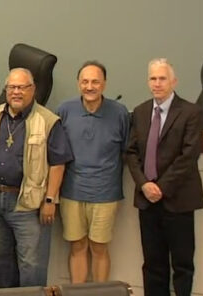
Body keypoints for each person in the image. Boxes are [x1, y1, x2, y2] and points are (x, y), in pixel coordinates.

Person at [0, 68, 73, 288]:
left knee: (31, 266)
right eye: (12, 87)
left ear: (32, 89)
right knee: (0, 261)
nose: (16, 92)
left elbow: (58, 163)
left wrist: (50, 200)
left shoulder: (48, 120)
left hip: (29, 205)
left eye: (22, 87)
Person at [125, 59, 203, 296]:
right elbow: (131, 152)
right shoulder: (140, 112)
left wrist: (160, 187)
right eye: (153, 78)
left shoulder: (191, 112)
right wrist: (144, 184)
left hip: (177, 200)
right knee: (152, 264)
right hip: (147, 201)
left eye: (162, 78)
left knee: (181, 265)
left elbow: (189, 155)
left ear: (174, 81)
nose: (157, 83)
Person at [56, 62, 129, 284]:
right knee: (77, 246)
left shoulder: (119, 113)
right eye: (85, 81)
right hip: (72, 192)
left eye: (95, 81)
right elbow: (57, 152)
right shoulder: (65, 110)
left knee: (99, 247)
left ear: (104, 84)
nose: (90, 86)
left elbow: (126, 151)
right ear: (78, 84)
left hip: (106, 193)